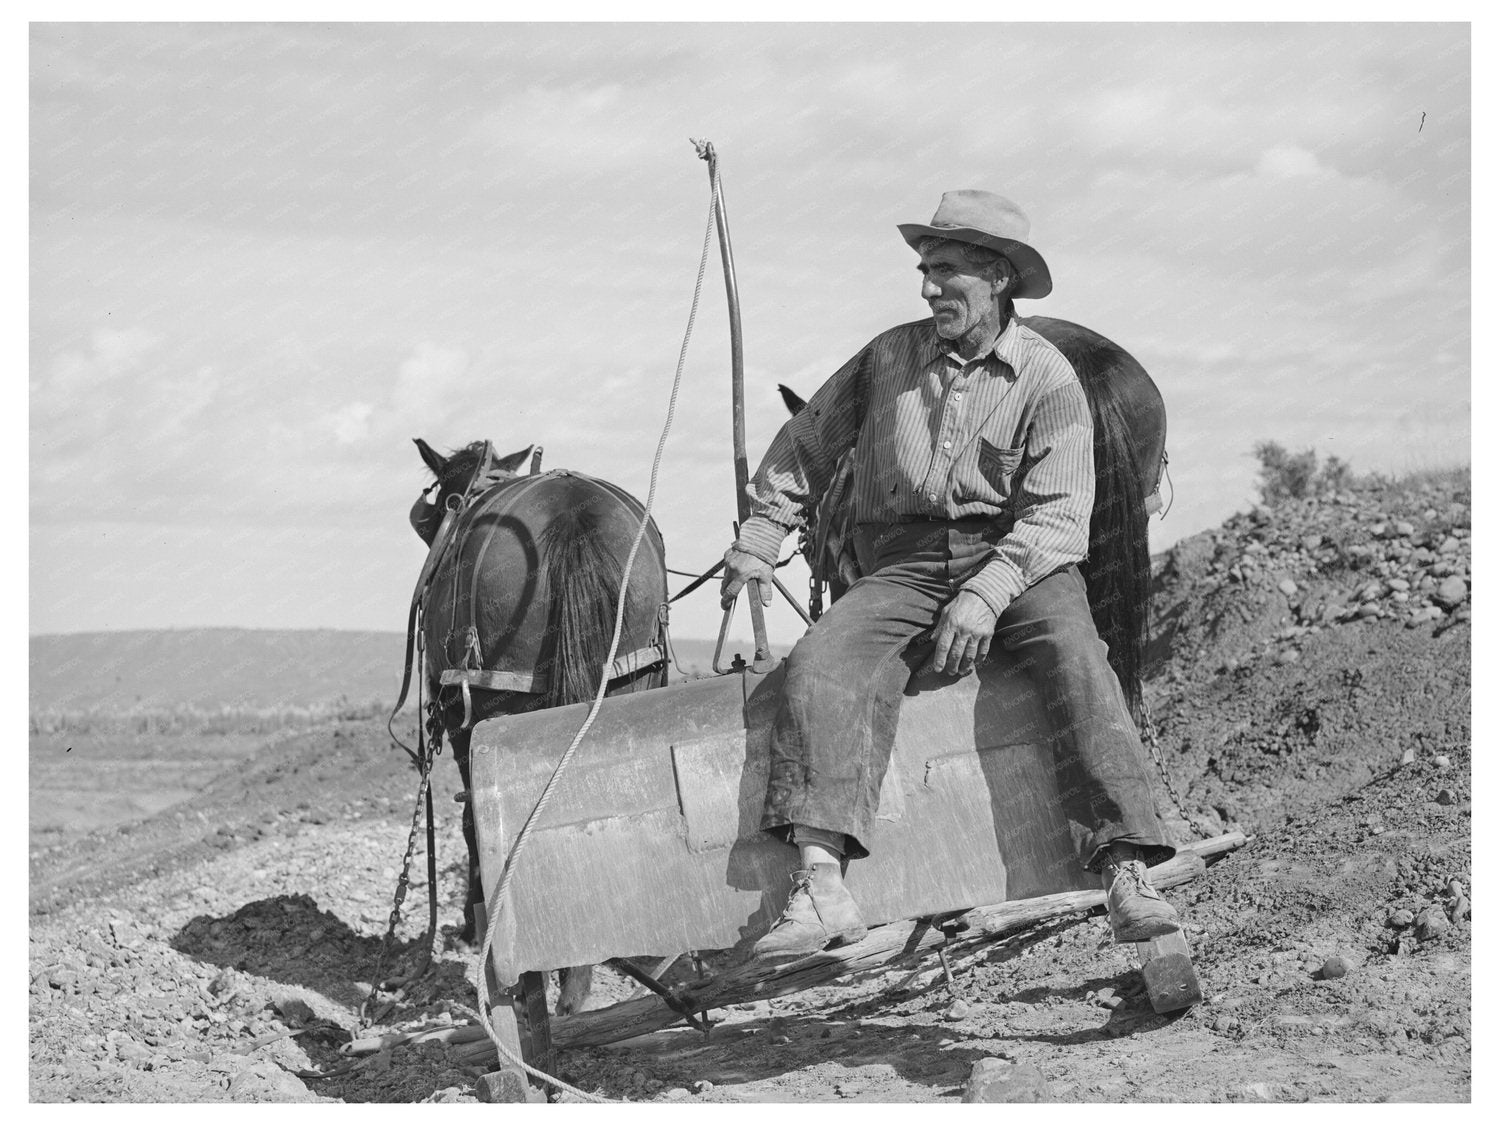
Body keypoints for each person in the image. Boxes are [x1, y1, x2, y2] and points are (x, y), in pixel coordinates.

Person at [720, 189, 1181, 962]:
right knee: (820, 664)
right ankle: (822, 884)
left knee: (1077, 655)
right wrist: (762, 534)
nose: (930, 287)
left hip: (1019, 559)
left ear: (998, 278)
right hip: (903, 562)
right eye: (925, 270)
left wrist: (986, 591)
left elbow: (1060, 514)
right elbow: (808, 443)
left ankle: (1128, 869)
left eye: (949, 271)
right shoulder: (887, 358)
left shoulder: (1049, 377)